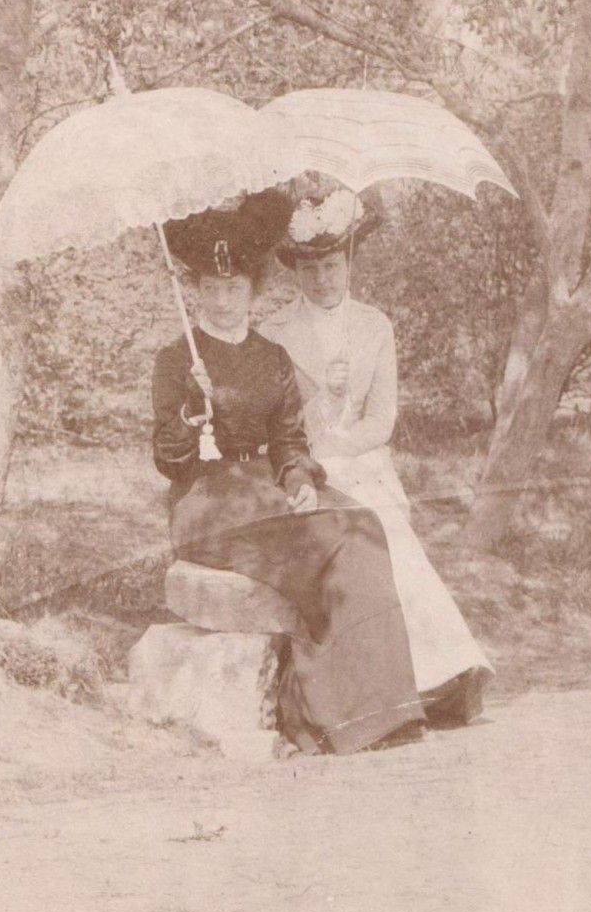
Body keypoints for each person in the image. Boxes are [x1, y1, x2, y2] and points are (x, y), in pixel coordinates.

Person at [152, 190, 427, 754]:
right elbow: (167, 459)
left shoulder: (269, 355)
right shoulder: (177, 358)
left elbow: (288, 441)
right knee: (332, 543)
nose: (223, 301)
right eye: (211, 289)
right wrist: (190, 404)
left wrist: (300, 483)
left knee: (362, 526)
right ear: (196, 292)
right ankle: (324, 714)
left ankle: (374, 710)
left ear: (252, 290)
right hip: (208, 505)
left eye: (234, 289)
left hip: (266, 496)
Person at [260, 187, 493, 726]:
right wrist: (321, 399)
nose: (323, 279)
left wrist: (340, 441)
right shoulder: (273, 333)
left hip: (363, 464)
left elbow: (382, 420)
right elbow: (279, 424)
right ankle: (373, 689)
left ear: (349, 263)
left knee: (388, 533)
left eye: (333, 265)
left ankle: (439, 674)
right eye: (312, 267)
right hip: (303, 466)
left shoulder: (374, 326)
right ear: (295, 270)